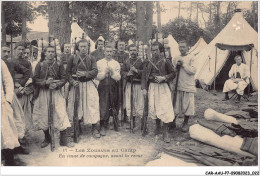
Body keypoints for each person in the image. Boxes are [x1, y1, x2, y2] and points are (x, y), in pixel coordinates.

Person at [32, 45, 73, 148]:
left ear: (55, 53)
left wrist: (57, 84)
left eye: (52, 52)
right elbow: (35, 79)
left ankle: (63, 139)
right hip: (43, 93)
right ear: (45, 53)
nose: (51, 53)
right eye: (49, 51)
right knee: (44, 114)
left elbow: (64, 78)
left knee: (61, 112)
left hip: (56, 92)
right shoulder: (40, 65)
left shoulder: (59, 65)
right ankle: (47, 137)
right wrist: (45, 82)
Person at [141, 41, 175, 143]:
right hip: (152, 87)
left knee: (164, 107)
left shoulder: (166, 61)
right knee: (154, 107)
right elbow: (144, 75)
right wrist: (143, 88)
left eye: (156, 50)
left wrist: (164, 78)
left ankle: (165, 131)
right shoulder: (148, 62)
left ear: (161, 51)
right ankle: (157, 127)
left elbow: (173, 73)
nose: (154, 52)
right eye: (153, 50)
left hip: (163, 87)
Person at [66, 39, 101, 139]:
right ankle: (77, 127)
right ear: (78, 47)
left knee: (92, 105)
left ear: (88, 47)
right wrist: (72, 81)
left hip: (88, 84)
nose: (83, 48)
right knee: (76, 105)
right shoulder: (72, 58)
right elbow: (67, 73)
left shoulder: (91, 58)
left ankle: (94, 128)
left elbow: (95, 71)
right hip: (76, 85)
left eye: (85, 46)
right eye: (81, 46)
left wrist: (85, 74)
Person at [1, 45, 29, 155]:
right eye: (4, 51)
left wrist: (19, 86)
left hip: (10, 95)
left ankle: (17, 145)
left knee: (17, 118)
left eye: (8, 51)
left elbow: (27, 72)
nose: (6, 54)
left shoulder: (12, 62)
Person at [1, 60, 25, 166]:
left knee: (6, 131)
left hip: (2, 102)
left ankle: (9, 162)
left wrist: (8, 100)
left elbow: (8, 82)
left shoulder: (0, 63)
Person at [171, 41, 196, 132]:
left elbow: (193, 71)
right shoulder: (175, 58)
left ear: (187, 48)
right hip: (178, 85)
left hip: (188, 85)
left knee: (188, 105)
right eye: (180, 47)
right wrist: (176, 66)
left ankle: (185, 122)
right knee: (176, 104)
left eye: (183, 47)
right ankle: (173, 121)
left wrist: (184, 65)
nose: (181, 49)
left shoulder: (192, 58)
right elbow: (172, 71)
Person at [96, 44, 121, 136]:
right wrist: (104, 73)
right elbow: (97, 76)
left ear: (113, 52)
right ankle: (102, 124)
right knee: (103, 105)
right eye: (107, 51)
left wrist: (112, 72)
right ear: (104, 52)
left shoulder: (116, 63)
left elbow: (118, 77)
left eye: (110, 52)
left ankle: (114, 121)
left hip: (113, 87)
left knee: (114, 104)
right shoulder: (99, 63)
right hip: (103, 87)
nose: (109, 53)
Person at [121, 44, 144, 129]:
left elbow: (145, 72)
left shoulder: (141, 61)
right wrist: (127, 74)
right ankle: (132, 122)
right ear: (129, 51)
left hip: (138, 85)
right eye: (131, 50)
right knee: (130, 104)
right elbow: (122, 71)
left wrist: (136, 71)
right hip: (129, 85)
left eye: (134, 50)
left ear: (137, 51)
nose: (133, 52)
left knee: (140, 104)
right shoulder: (126, 61)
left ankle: (143, 123)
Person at [15, 45, 34, 141]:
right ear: (14, 50)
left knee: (23, 114)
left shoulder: (27, 63)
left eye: (23, 49)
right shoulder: (10, 61)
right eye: (19, 49)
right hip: (12, 90)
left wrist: (22, 88)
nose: (21, 51)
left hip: (23, 90)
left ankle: (22, 137)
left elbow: (30, 77)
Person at [113, 40, 129, 123]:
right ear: (117, 46)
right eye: (120, 45)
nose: (121, 47)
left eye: (123, 45)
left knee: (124, 95)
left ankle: (125, 116)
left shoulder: (127, 55)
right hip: (116, 78)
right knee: (116, 96)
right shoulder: (113, 55)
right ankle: (116, 116)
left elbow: (128, 65)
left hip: (125, 78)